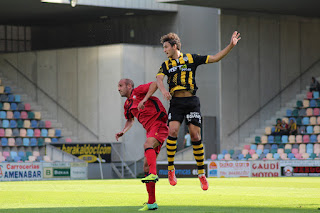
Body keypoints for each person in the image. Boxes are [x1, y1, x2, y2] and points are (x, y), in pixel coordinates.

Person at [156, 31, 241, 190]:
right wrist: (163, 91)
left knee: (195, 136)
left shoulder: (191, 58)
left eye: (166, 47)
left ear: (174, 46)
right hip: (176, 102)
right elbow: (159, 79)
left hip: (191, 101)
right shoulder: (166, 65)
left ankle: (201, 173)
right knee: (172, 131)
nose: (164, 50)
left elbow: (215, 58)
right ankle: (170, 169)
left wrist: (230, 45)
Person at [115, 79, 169, 211]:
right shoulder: (127, 105)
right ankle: (152, 203)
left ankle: (154, 174)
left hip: (159, 124)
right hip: (150, 130)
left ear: (129, 86)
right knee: (145, 167)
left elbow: (155, 83)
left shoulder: (138, 91)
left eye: (121, 86)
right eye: (118, 86)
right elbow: (130, 119)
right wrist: (123, 131)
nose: (118, 89)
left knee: (147, 145)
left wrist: (144, 99)